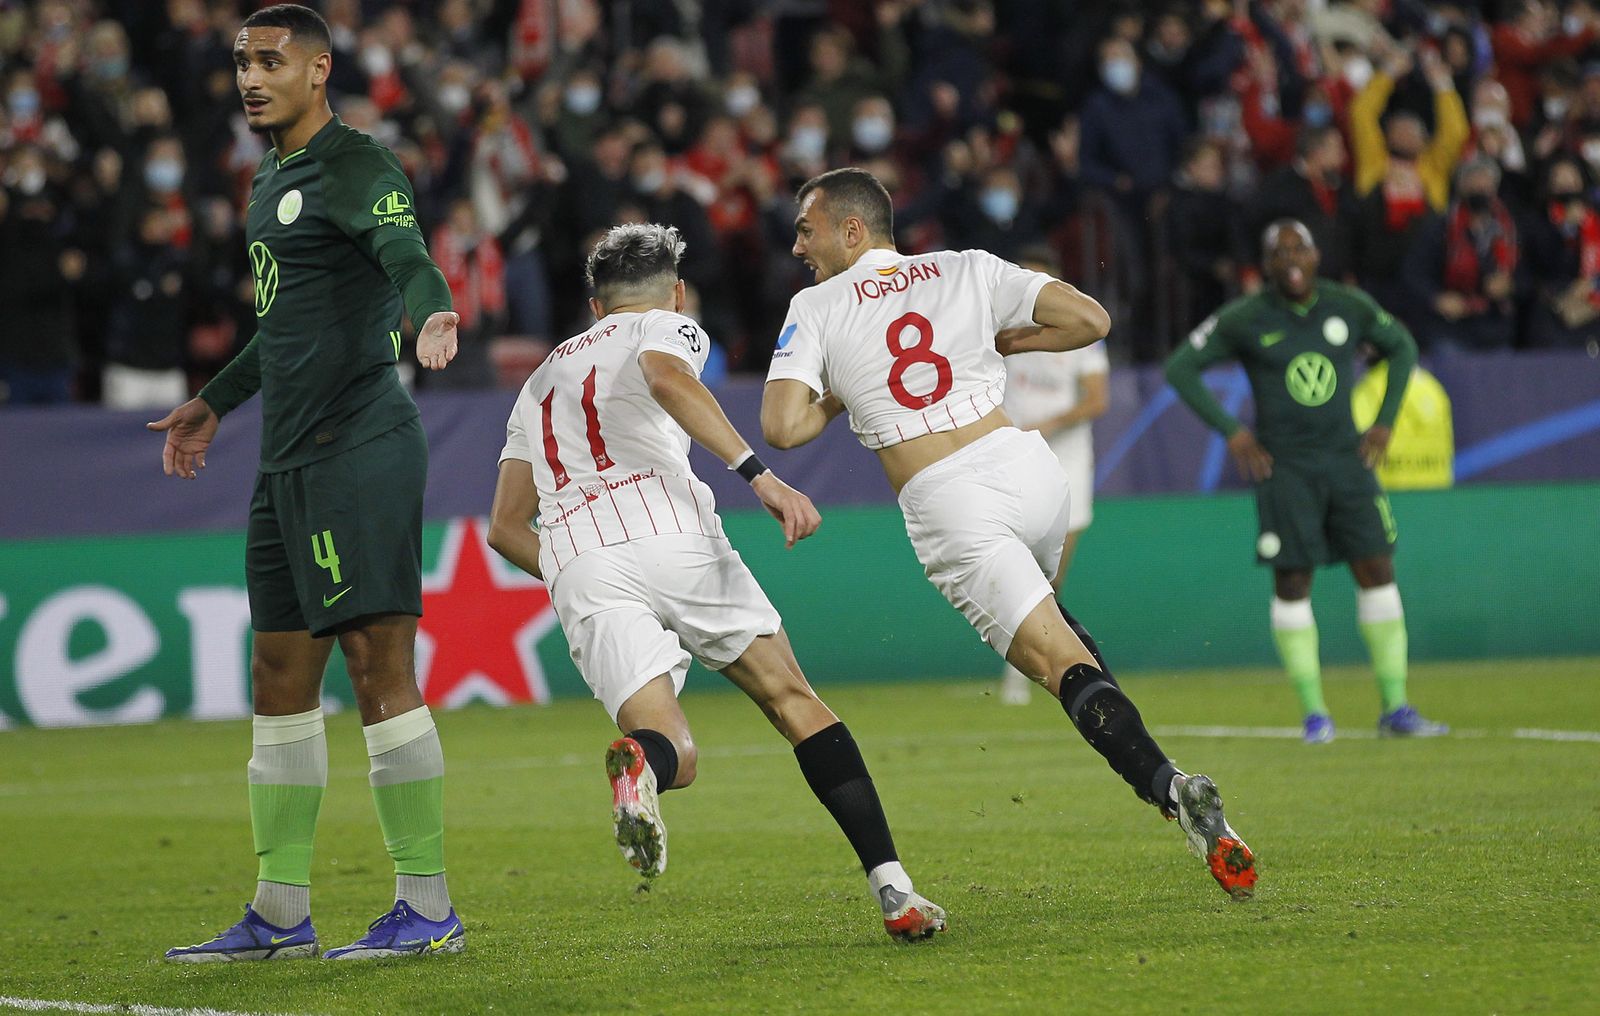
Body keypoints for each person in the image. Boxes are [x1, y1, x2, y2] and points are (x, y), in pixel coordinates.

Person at [761, 167, 1256, 900]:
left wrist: (841, 391)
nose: (798, 244)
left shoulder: (817, 304)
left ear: (851, 229)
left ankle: (1170, 785)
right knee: (1060, 632)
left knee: (1058, 664)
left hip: (949, 497)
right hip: (1028, 466)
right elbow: (1091, 321)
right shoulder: (967, 266)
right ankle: (1166, 782)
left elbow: (781, 425)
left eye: (807, 228)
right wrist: (1009, 344)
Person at [486, 223, 945, 943]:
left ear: (595, 305)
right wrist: (760, 477)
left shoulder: (539, 380)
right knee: (793, 701)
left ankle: (643, 764)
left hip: (578, 556)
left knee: (676, 752)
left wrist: (577, 572)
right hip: (670, 531)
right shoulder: (670, 327)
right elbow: (668, 380)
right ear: (674, 293)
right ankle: (896, 891)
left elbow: (505, 527)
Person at [147, 5, 465, 962]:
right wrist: (214, 400)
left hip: (356, 444)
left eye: (272, 61)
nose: (252, 76)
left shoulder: (358, 165)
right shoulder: (270, 177)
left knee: (377, 668)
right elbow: (284, 326)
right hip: (283, 455)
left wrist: (433, 312)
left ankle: (428, 905)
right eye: (243, 61)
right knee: (278, 676)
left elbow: (407, 255)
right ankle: (280, 912)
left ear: (318, 70)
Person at [1164, 218, 1449, 745]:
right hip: (1285, 468)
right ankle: (1316, 714)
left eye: (1301, 248)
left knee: (1377, 568)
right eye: (1279, 251)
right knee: (1293, 581)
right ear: (1267, 264)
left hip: (1347, 460)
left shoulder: (1348, 305)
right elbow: (1181, 366)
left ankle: (1396, 707)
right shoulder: (1246, 316)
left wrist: (1385, 421)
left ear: (1317, 256)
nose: (1292, 258)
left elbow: (1403, 347)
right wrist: (1233, 432)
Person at [996, 245, 1110, 707]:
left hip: (1066, 464)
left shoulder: (1082, 337)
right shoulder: (1000, 333)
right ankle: (1018, 670)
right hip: (1012, 459)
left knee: (1050, 577)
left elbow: (1097, 399)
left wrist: (1048, 425)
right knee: (1014, 566)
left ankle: (1051, 662)